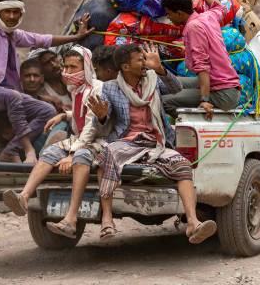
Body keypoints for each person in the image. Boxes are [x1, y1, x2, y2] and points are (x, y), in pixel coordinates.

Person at [88, 43, 217, 244]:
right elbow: (103, 127)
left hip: (156, 142)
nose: (145, 63)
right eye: (140, 60)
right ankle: (107, 220)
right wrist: (102, 117)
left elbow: (176, 87)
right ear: (125, 67)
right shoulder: (110, 88)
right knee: (106, 156)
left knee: (182, 165)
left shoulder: (153, 79)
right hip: (127, 142)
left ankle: (193, 222)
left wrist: (160, 68)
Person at [0, 0, 94, 163]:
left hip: (8, 94)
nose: (12, 16)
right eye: (7, 12)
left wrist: (76, 37)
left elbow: (42, 40)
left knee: (47, 111)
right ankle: (28, 149)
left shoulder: (12, 34)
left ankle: (11, 150)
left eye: (16, 12)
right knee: (13, 96)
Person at [3, 46, 109, 238]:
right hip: (79, 139)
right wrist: (64, 116)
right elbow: (81, 115)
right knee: (49, 153)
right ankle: (24, 197)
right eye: (65, 67)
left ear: (85, 66)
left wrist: (71, 154)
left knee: (79, 159)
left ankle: (71, 219)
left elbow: (92, 127)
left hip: (98, 141)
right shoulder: (76, 88)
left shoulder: (97, 88)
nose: (67, 72)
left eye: (72, 67)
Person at [161, 0, 240, 120]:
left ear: (179, 13)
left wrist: (204, 100)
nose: (169, 18)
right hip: (224, 86)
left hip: (223, 93)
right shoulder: (207, 16)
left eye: (169, 14)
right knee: (166, 83)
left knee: (164, 101)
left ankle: (189, 125)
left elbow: (202, 66)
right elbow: (219, 6)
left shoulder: (193, 28)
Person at [19, 59, 69, 153]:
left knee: (63, 122)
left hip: (46, 146)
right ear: (20, 78)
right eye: (27, 76)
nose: (32, 79)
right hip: (24, 148)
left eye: (36, 76)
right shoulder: (16, 100)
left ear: (42, 79)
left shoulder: (50, 101)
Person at [27, 48, 72, 112]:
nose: (53, 64)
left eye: (53, 59)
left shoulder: (72, 76)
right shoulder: (42, 92)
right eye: (47, 63)